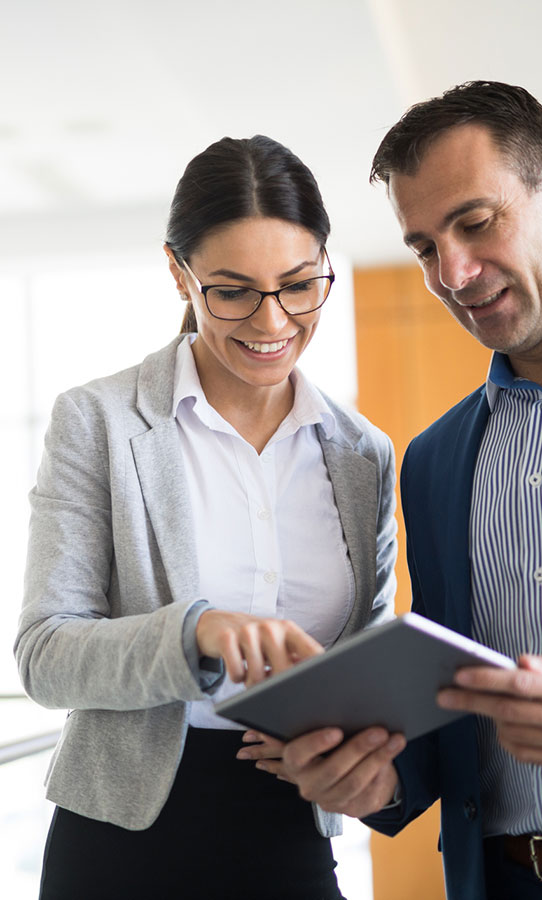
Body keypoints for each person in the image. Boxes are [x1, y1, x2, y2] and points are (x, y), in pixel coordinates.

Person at [258, 82, 542, 900]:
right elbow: (456, 698)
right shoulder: (436, 458)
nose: (452, 272)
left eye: (476, 222)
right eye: (423, 246)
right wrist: (377, 780)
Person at [14, 134, 397, 899]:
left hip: (292, 821)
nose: (272, 320)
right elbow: (45, 656)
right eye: (233, 290)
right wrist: (196, 632)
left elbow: (363, 662)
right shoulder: (100, 421)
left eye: (299, 284)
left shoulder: (363, 455)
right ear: (178, 274)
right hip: (121, 835)